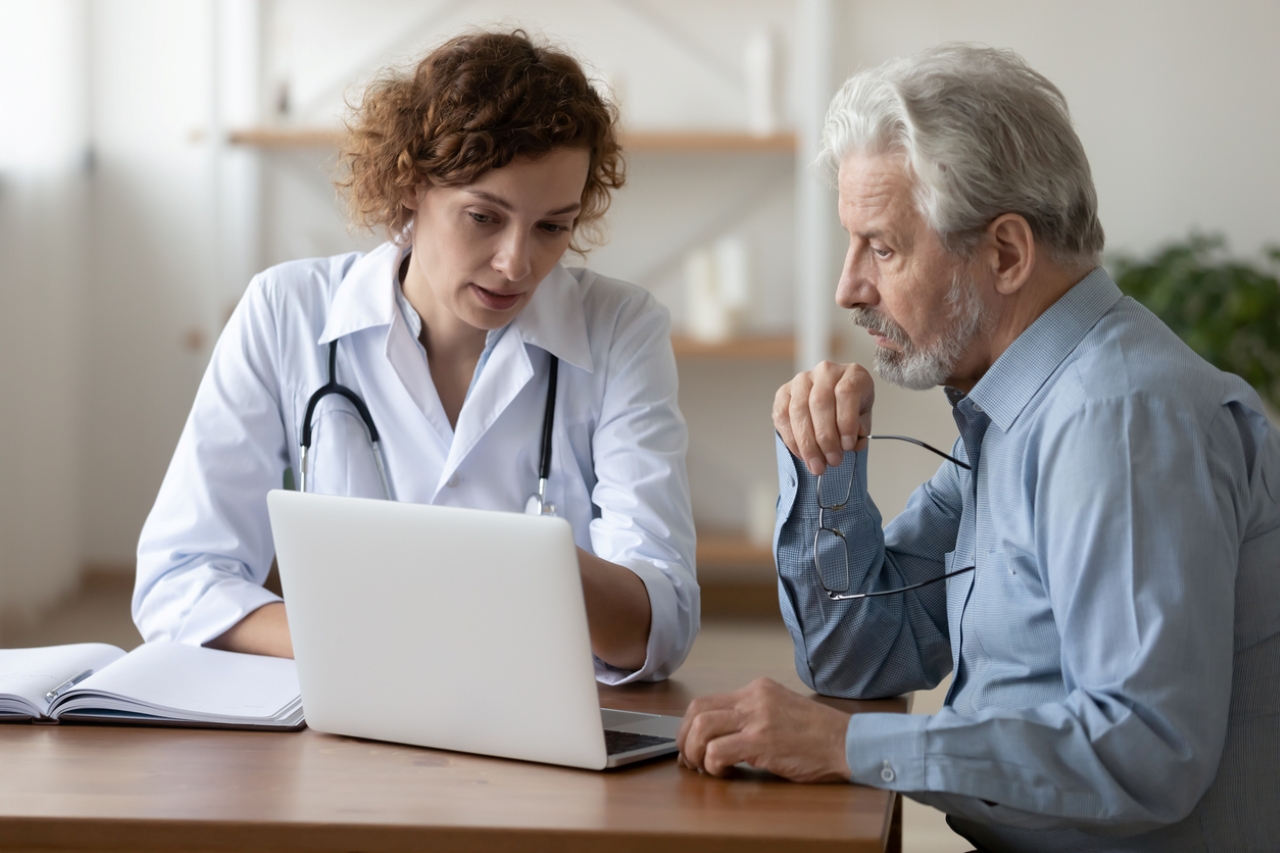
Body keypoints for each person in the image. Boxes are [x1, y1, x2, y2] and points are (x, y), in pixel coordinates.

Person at [677, 44, 1279, 851]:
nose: (848, 287)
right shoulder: (1014, 409)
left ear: (1004, 253)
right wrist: (826, 467)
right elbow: (863, 655)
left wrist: (844, 746)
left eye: (882, 248)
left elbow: (1147, 750)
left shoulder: (1120, 418)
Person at [133, 31, 698, 684]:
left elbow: (662, 623)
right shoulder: (284, 311)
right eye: (484, 217)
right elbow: (178, 579)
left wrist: (528, 564)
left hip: (530, 726)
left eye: (552, 227)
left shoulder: (621, 329)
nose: (518, 263)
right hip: (346, 715)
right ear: (410, 188)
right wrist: (363, 642)